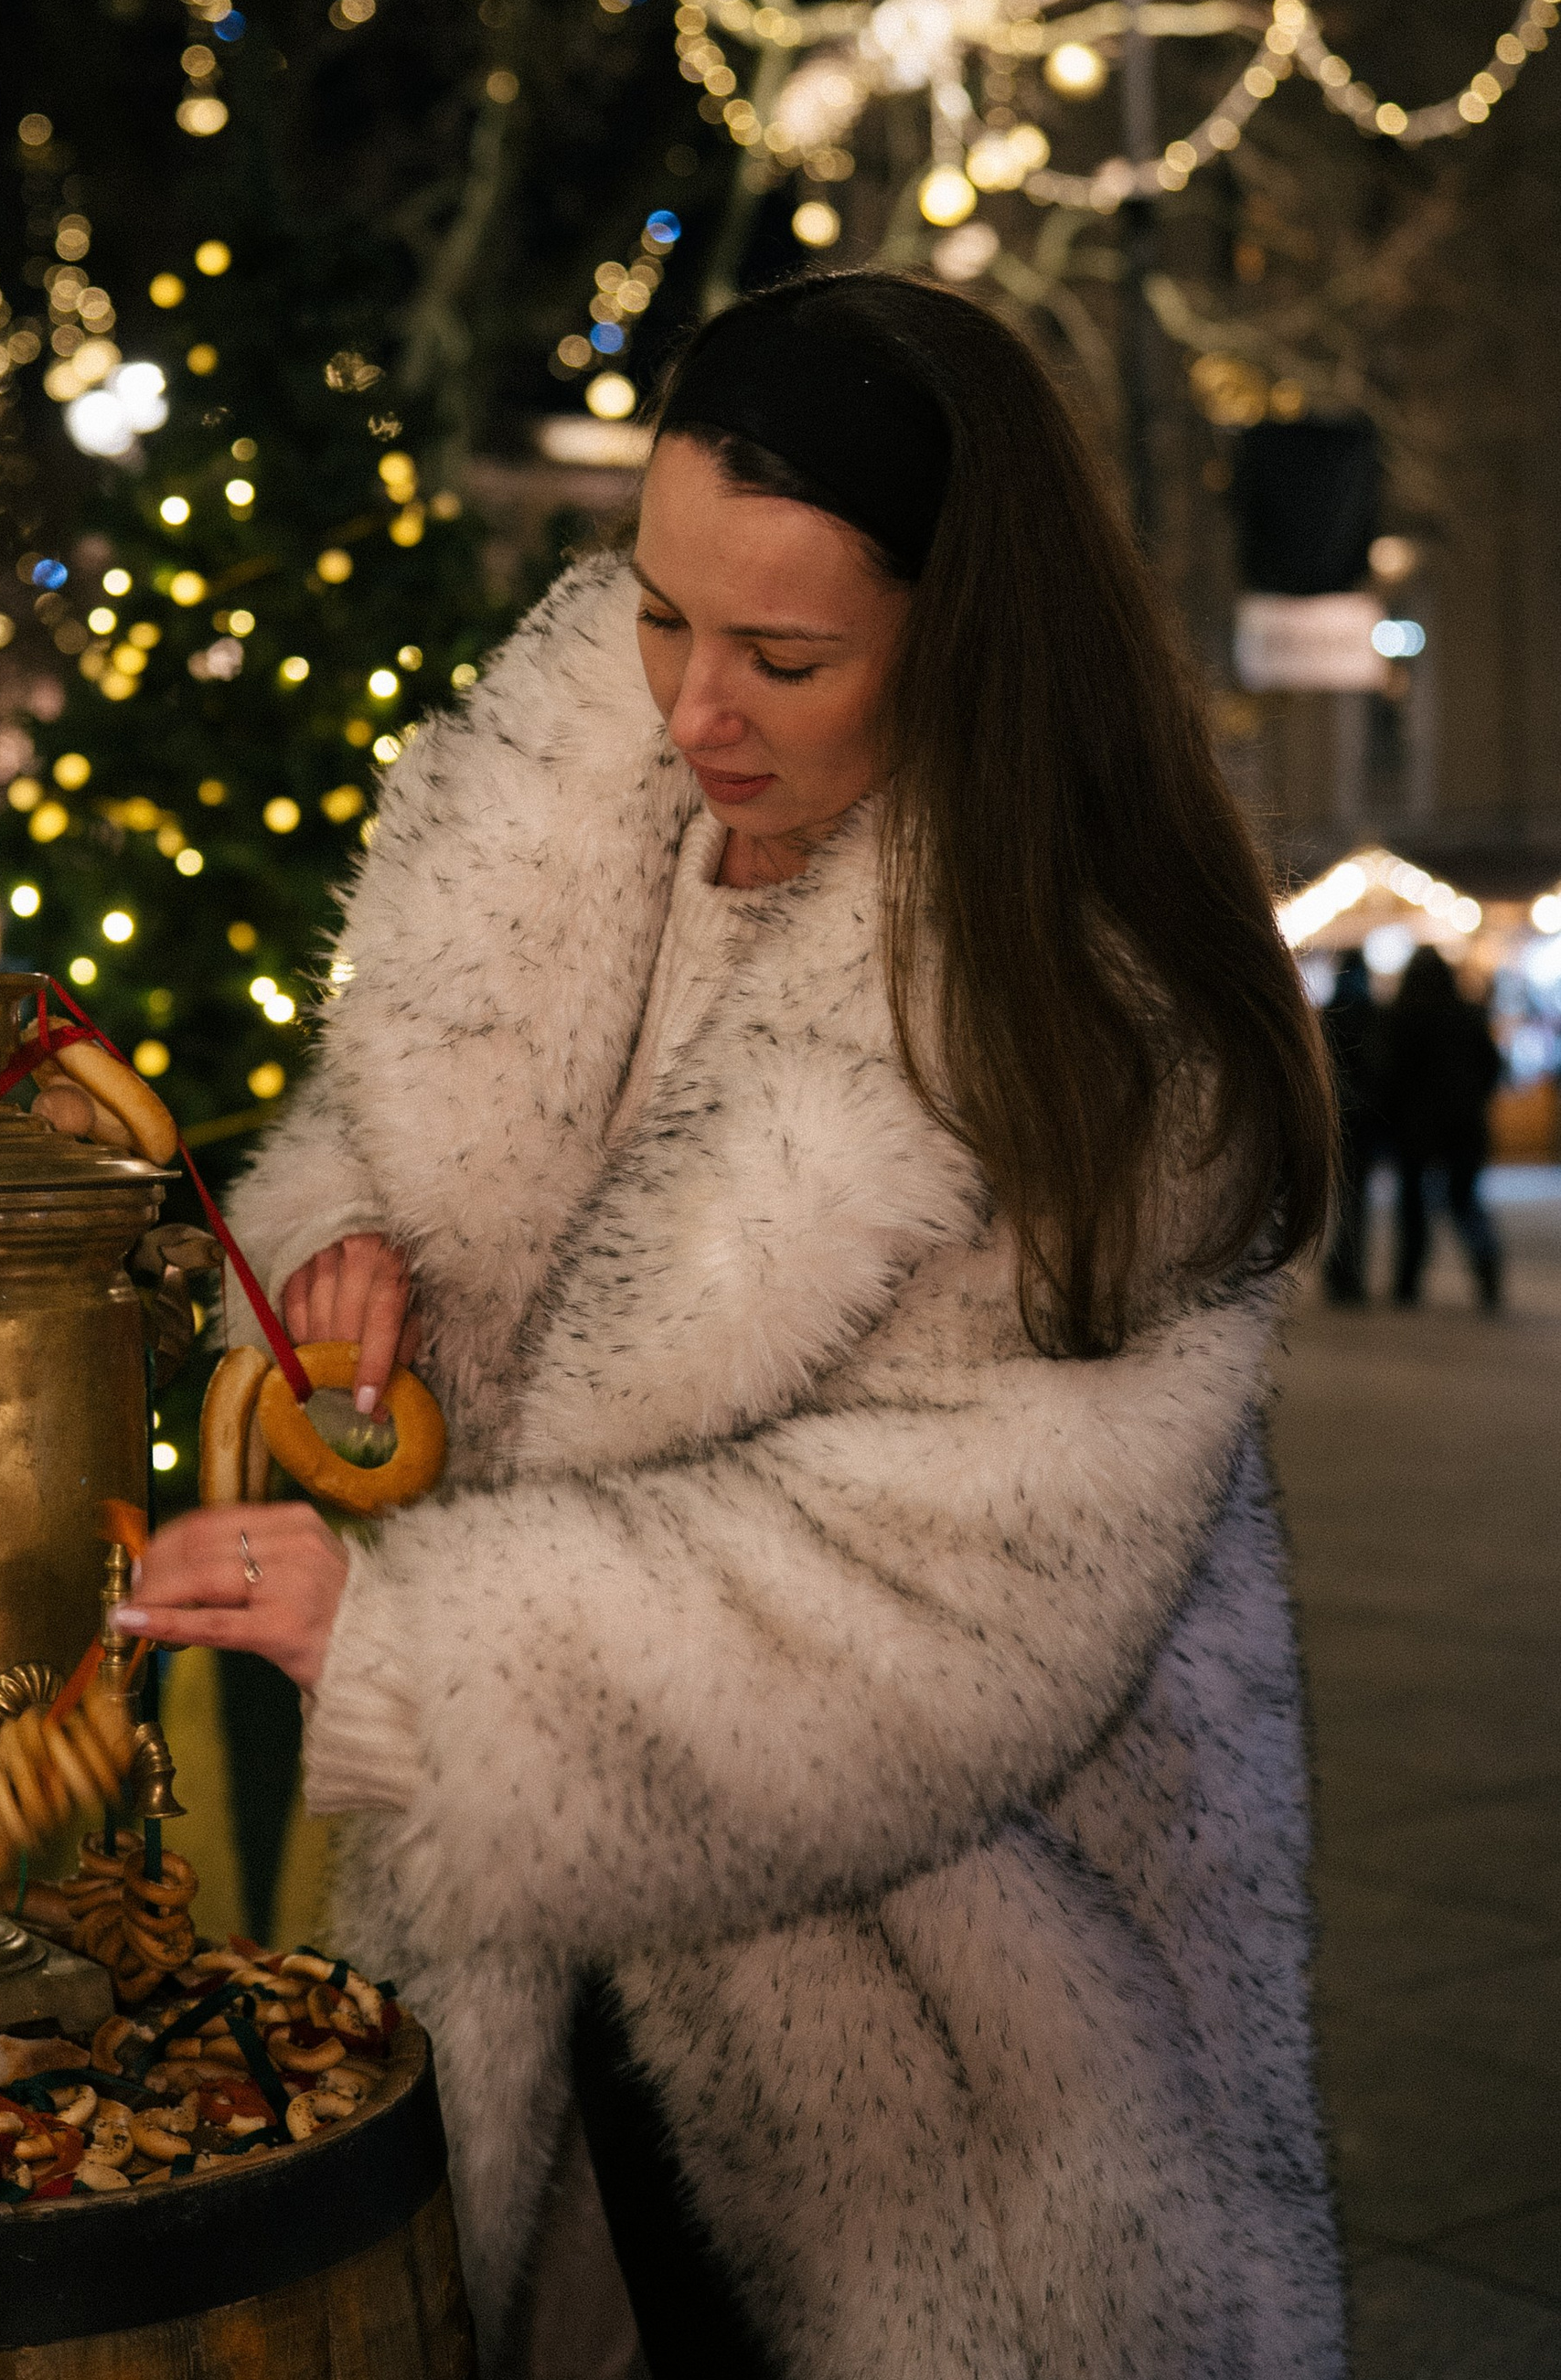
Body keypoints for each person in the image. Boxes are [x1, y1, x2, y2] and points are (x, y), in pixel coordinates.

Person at [115, 270, 1342, 2380]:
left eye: (781, 653)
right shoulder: (556, 829)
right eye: (661, 612)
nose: (689, 707)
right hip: (538, 1982)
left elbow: (952, 1601)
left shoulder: (1101, 1032)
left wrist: (416, 1640)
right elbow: (372, 1151)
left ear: (967, 646)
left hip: (948, 2076)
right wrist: (353, 1275)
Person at [1385, 943, 1505, 1309]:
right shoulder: (1467, 1015)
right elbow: (1494, 1066)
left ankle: (1407, 1282)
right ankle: (1486, 1269)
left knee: (1412, 1205)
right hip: (1463, 1124)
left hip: (1416, 1127)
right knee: (1464, 1199)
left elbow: (1389, 1077)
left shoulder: (1401, 1017)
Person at [1320, 945, 1385, 1302]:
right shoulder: (1373, 1015)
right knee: (1356, 1200)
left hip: (1336, 1118)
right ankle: (1348, 1271)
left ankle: (1340, 1270)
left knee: (1341, 1199)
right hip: (1365, 1122)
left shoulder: (1328, 1014)